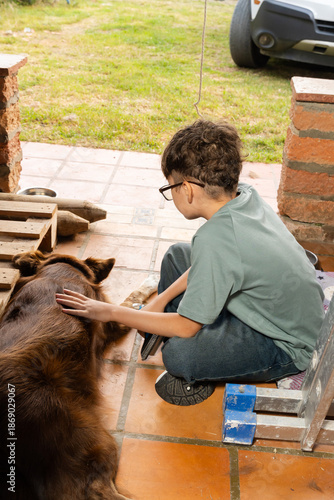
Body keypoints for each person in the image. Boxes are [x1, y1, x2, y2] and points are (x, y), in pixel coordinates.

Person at [56, 119, 324, 407]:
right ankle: (178, 318)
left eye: (169, 188)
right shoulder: (245, 195)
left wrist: (109, 311)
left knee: (179, 355)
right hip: (278, 306)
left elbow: (186, 328)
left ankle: (199, 331)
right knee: (177, 255)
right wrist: (158, 302)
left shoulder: (215, 238)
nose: (170, 194)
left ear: (187, 189)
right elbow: (214, 262)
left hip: (286, 342)